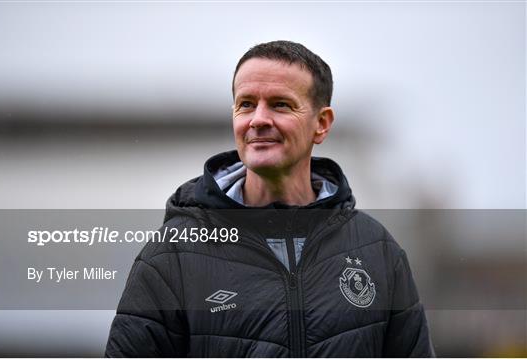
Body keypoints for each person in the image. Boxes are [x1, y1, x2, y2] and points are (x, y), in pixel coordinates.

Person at [105, 40, 434, 357]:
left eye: (280, 104)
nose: (258, 119)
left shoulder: (377, 250)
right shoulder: (173, 254)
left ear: (321, 124)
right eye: (246, 104)